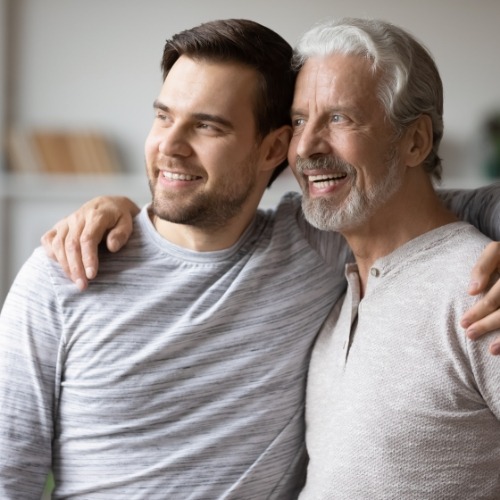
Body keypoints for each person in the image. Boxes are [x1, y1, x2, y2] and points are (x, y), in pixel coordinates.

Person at [2, 16, 499, 500]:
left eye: (207, 126)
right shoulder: (65, 269)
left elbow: (423, 213)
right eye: (163, 116)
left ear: (272, 150)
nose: (168, 147)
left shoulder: (322, 247)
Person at [284, 18, 500, 498]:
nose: (305, 147)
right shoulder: (342, 296)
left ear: (416, 142)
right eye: (300, 120)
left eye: (340, 118)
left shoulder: (480, 293)